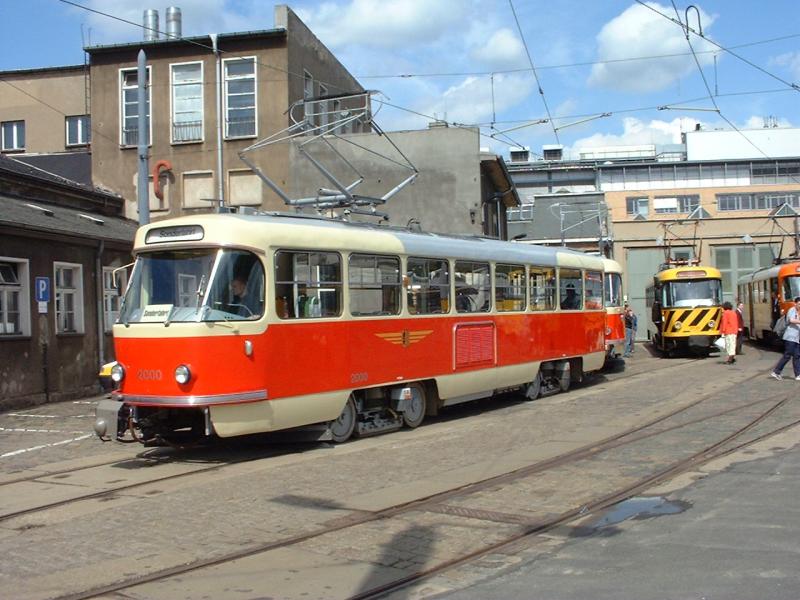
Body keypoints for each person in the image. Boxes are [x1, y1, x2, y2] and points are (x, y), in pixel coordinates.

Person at [770, 296, 800, 380]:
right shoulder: (792, 310)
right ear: (795, 303)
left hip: (797, 338)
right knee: (788, 355)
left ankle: (798, 374)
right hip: (790, 337)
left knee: (797, 355)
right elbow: (791, 320)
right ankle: (776, 371)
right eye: (799, 304)